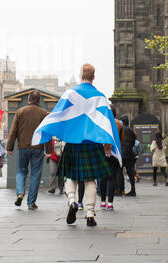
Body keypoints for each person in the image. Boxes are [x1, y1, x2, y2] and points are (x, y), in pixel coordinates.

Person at [32, 64, 122, 227]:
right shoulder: (100, 97)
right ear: (93, 77)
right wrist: (110, 144)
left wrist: (46, 129)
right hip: (92, 144)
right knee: (90, 180)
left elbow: (58, 115)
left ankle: (73, 201)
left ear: (81, 75)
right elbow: (108, 123)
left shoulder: (70, 94)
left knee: (70, 177)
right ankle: (89, 214)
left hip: (73, 143)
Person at [7, 90, 52, 210]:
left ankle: (20, 192)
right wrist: (49, 150)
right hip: (38, 147)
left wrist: (10, 147)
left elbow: (13, 131)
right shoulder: (44, 113)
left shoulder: (20, 111)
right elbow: (46, 132)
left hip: (23, 147)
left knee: (21, 171)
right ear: (39, 100)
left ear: (28, 99)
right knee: (35, 174)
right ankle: (31, 202)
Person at [99, 105, 122, 209]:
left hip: (103, 152)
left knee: (103, 178)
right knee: (112, 178)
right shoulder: (118, 123)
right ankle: (110, 203)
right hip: (114, 152)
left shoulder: (102, 122)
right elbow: (122, 138)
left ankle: (103, 201)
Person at [118, 115, 137, 196]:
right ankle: (133, 190)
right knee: (130, 172)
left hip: (121, 153)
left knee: (119, 172)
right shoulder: (131, 130)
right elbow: (134, 141)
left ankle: (121, 190)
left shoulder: (120, 129)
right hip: (129, 153)